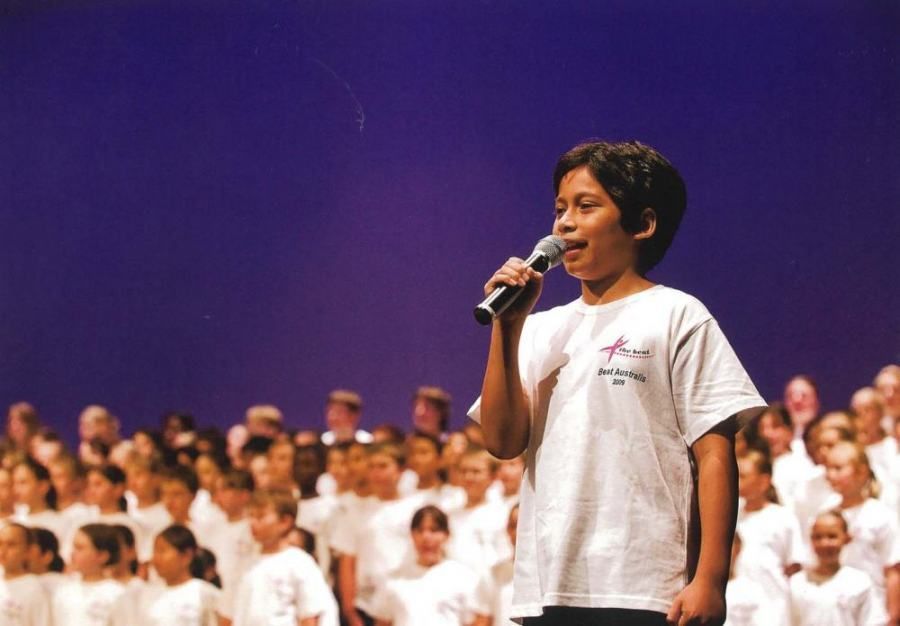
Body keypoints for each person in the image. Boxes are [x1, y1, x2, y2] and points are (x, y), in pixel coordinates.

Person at [471, 140, 767, 625]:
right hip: (548, 586)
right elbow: (503, 442)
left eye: (586, 206)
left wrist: (711, 580)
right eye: (560, 209)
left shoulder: (676, 314)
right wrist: (508, 328)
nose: (564, 223)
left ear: (643, 224)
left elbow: (714, 453)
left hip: (646, 587)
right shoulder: (540, 328)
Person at [223, 489, 338, 626]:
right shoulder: (244, 562)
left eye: (260, 516)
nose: (252, 522)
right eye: (251, 515)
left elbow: (310, 615)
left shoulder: (299, 562)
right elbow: (227, 613)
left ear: (285, 522)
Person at [370, 505, 477, 626]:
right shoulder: (394, 581)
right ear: (412, 535)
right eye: (420, 531)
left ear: (446, 535)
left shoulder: (462, 577)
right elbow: (383, 622)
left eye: (434, 530)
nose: (426, 537)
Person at [733, 449, 805, 626]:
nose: (737, 481)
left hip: (772, 606)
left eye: (743, 476)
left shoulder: (782, 517)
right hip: (737, 606)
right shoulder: (732, 515)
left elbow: (794, 564)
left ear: (764, 481)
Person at [789, 510, 887, 626]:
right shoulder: (797, 583)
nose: (824, 543)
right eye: (818, 537)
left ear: (846, 538)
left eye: (832, 536)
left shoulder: (859, 582)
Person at [135, 525, 223, 626]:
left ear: (186, 555)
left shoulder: (204, 593)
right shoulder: (147, 594)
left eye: (162, 551)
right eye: (154, 551)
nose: (155, 558)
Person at [52, 523, 127, 625]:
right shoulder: (64, 590)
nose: (73, 553)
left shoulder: (116, 593)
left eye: (80, 548)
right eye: (73, 547)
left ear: (102, 556)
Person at [0, 522, 51, 626]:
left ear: (28, 550)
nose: (3, 551)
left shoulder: (34, 589)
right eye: (0, 543)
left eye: (11, 545)